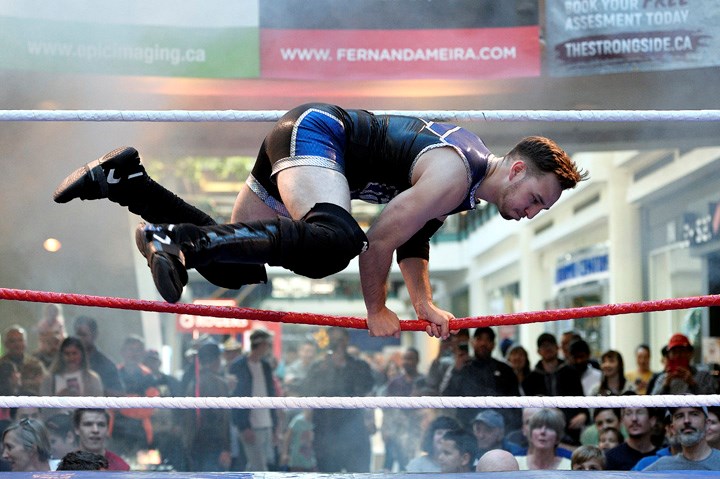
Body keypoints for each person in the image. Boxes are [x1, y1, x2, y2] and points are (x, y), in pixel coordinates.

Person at [53, 105, 587, 337]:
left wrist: (421, 303)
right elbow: (379, 241)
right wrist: (377, 308)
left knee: (235, 270)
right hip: (318, 135)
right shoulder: (455, 173)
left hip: (308, 148)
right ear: (516, 169)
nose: (531, 214)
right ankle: (176, 239)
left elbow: (413, 237)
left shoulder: (464, 186)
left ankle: (126, 182)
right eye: (537, 198)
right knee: (339, 241)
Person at [301, 327, 375, 472]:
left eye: (340, 340)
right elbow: (308, 393)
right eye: (334, 341)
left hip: (354, 430)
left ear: (347, 341)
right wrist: (306, 428)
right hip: (325, 431)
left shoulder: (358, 365)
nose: (337, 344)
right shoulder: (318, 367)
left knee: (359, 473)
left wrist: (370, 419)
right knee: (328, 474)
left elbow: (368, 389)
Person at [443, 327, 521, 431]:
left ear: (493, 344)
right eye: (479, 339)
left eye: (488, 339)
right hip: (468, 431)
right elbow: (447, 396)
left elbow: (516, 404)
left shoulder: (505, 370)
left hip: (500, 431)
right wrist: (457, 370)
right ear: (472, 342)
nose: (483, 343)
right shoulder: (462, 368)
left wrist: (509, 429)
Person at [523, 332, 587, 444]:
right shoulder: (530, 379)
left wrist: (583, 415)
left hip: (570, 429)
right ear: (538, 351)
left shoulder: (571, 373)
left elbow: (581, 400)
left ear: (557, 347)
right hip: (541, 429)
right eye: (544, 346)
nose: (548, 349)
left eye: (550, 345)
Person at [229, 329, 278, 472]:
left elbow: (271, 395)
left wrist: (275, 425)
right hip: (250, 424)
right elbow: (235, 398)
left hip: (266, 422)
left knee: (257, 465)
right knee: (260, 468)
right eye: (268, 344)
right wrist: (243, 426)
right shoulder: (238, 366)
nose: (269, 347)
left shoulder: (266, 366)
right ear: (261, 344)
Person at [184, 342, 232, 472]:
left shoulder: (193, 383)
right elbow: (223, 418)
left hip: (195, 443)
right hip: (214, 444)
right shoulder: (220, 384)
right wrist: (226, 448)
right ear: (216, 360)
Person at [380, 347, 425, 471]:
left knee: (415, 468)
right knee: (393, 465)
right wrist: (385, 430)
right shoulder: (394, 383)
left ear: (417, 360)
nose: (407, 362)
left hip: (417, 433)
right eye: (405, 358)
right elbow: (387, 409)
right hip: (397, 431)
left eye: (410, 359)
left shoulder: (424, 382)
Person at [644, 406, 720, 471]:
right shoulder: (661, 468)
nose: (686, 420)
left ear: (707, 424)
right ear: (672, 429)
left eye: (694, 414)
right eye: (679, 416)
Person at [39, 337, 104, 401]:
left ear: (82, 354)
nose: (71, 358)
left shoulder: (92, 379)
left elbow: (98, 406)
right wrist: (58, 398)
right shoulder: (50, 380)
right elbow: (44, 408)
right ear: (61, 355)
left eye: (74, 353)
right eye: (67, 354)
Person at [650, 333, 717, 395]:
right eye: (674, 352)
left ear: (690, 354)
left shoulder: (704, 376)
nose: (678, 356)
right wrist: (665, 386)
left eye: (682, 351)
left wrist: (692, 384)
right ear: (668, 356)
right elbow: (652, 405)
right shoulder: (662, 379)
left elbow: (712, 403)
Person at [74, 315, 125, 396]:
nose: (80, 338)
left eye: (83, 335)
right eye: (78, 334)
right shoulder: (68, 361)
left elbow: (119, 395)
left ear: (95, 335)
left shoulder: (107, 364)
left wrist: (95, 390)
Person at [604, 405, 659, 470]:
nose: (634, 419)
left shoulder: (662, 456)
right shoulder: (611, 458)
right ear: (622, 421)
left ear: (652, 420)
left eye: (640, 412)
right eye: (628, 413)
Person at [0, 325, 47, 390]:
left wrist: (22, 383)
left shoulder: (35, 365)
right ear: (6, 344)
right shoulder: (1, 364)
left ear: (25, 342)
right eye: (12, 341)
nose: (17, 344)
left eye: (20, 340)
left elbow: (45, 385)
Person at [33, 304, 67, 370]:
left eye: (54, 311)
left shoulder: (59, 323)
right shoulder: (43, 323)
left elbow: (59, 336)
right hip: (44, 349)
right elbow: (41, 335)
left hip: (57, 350)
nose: (52, 313)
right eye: (50, 311)